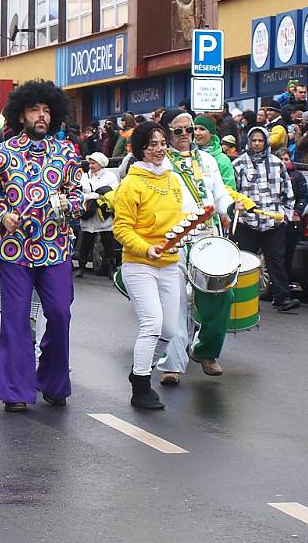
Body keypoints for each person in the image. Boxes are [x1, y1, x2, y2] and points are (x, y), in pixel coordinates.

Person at [0, 80, 83, 412]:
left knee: (59, 313)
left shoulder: (67, 153)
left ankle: (52, 380)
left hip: (55, 247)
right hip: (15, 250)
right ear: (21, 114)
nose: (42, 116)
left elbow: (79, 196)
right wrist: (2, 215)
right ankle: (16, 390)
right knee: (16, 318)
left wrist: (68, 205)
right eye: (35, 109)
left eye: (47, 110)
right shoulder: (2, 154)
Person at [156, 110, 233, 385]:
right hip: (175, 237)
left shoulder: (209, 160)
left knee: (219, 297)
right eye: (179, 131)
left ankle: (206, 351)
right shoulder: (161, 162)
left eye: (190, 129)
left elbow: (219, 192)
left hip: (207, 235)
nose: (186, 135)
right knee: (175, 302)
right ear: (167, 133)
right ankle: (173, 364)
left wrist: (231, 206)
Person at [112, 121, 184, 408]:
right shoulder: (131, 184)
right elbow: (121, 229)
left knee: (170, 331)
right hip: (139, 264)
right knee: (152, 324)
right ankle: (140, 385)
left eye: (162, 142)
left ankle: (142, 369)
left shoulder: (172, 179)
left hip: (169, 264)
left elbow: (179, 219)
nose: (159, 148)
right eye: (152, 144)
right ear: (141, 149)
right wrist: (146, 247)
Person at [232, 127, 299, 311]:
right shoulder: (239, 164)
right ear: (248, 142)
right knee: (246, 261)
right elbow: (232, 191)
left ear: (266, 142)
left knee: (276, 260)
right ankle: (245, 300)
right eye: (253, 140)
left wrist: (286, 215)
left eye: (260, 141)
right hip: (248, 222)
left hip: (273, 222)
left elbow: (288, 191)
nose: (257, 144)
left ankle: (282, 298)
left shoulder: (277, 164)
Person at [78, 151, 119, 278]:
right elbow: (80, 193)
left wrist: (95, 195)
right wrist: (94, 195)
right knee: (86, 242)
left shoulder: (110, 177)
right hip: (89, 214)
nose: (90, 166)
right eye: (90, 163)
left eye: (93, 163)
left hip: (103, 215)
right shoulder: (84, 177)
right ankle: (81, 266)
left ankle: (111, 268)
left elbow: (113, 193)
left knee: (108, 243)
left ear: (101, 164)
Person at [275, 148, 308, 288]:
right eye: (281, 159)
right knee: (277, 255)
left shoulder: (298, 176)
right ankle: (277, 284)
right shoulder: (272, 174)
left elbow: (303, 196)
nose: (284, 162)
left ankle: (286, 284)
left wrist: (297, 212)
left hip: (291, 223)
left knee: (288, 254)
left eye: (286, 159)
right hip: (276, 220)